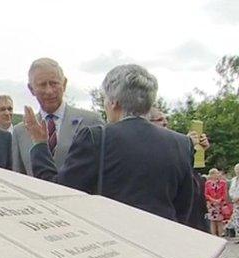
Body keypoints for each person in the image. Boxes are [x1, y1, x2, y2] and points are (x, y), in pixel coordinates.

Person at [25, 64, 194, 224]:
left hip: (111, 242)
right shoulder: (182, 144)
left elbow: (59, 193)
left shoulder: (96, 137)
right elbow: (184, 208)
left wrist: (40, 145)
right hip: (162, 243)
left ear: (114, 102)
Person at [11, 58, 103, 174]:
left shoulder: (91, 122)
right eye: (42, 85)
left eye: (54, 83)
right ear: (31, 89)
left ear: (64, 84)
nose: (49, 91)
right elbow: (19, 178)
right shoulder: (20, 132)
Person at [146, 108, 210, 232]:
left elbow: (189, 175)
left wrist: (197, 149)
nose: (165, 123)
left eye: (166, 120)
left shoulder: (176, 143)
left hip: (195, 215)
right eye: (160, 120)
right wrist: (185, 146)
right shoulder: (153, 147)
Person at [205, 168, 229, 236]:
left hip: (220, 204)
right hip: (212, 204)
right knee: (212, 221)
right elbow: (206, 194)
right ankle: (213, 235)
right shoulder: (208, 183)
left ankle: (220, 235)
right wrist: (212, 200)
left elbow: (224, 193)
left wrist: (219, 200)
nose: (217, 174)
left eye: (217, 173)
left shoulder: (223, 182)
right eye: (215, 173)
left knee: (220, 221)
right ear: (211, 175)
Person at [228, 164, 239, 234]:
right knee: (236, 220)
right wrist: (233, 198)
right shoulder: (233, 179)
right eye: (237, 169)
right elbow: (231, 190)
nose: (237, 171)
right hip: (235, 202)